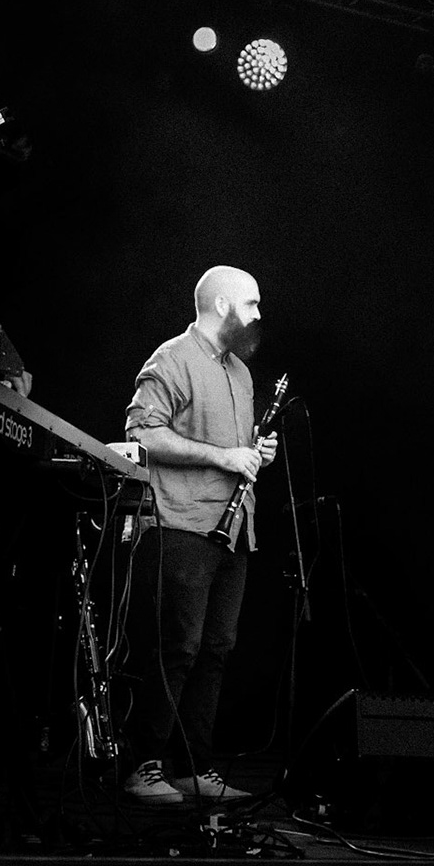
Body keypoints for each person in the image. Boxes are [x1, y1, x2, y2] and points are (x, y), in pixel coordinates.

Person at [118, 266, 278, 807]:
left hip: (233, 531)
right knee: (176, 648)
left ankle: (193, 768)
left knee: (215, 650)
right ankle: (143, 766)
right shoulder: (172, 358)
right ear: (222, 306)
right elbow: (141, 434)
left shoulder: (241, 373)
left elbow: (233, 449)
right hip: (183, 524)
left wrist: (255, 454)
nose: (259, 314)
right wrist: (223, 455)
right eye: (252, 303)